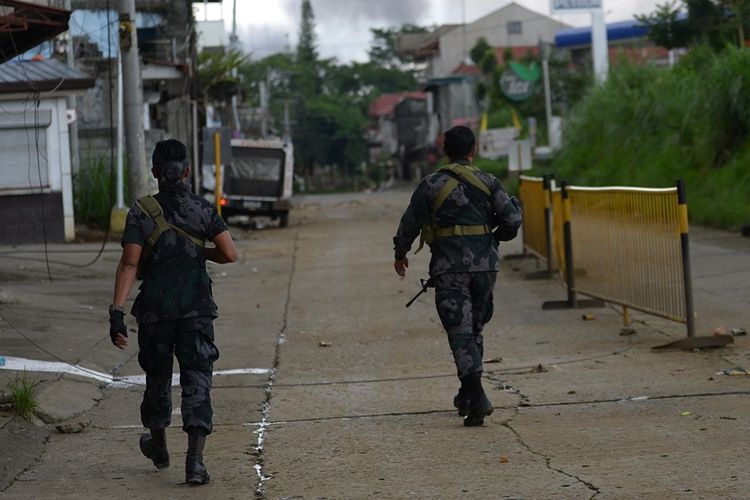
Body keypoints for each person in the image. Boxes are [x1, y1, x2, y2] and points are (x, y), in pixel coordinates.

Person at [109, 139, 237, 485]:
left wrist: (117, 312)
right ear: (187, 171)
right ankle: (194, 463)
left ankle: (160, 447)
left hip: (156, 311)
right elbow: (228, 253)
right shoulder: (203, 208)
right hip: (195, 310)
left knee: (157, 377)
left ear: (154, 173)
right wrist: (199, 254)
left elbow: (130, 263)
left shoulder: (141, 211)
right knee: (197, 379)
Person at [393, 126, 522, 426]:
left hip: (450, 268)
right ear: (473, 150)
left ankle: (476, 395)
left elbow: (410, 223)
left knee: (460, 331)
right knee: (473, 328)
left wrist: (400, 254)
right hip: (485, 268)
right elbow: (512, 220)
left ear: (444, 150)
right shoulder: (489, 181)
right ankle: (467, 394)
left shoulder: (431, 184)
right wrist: (495, 238)